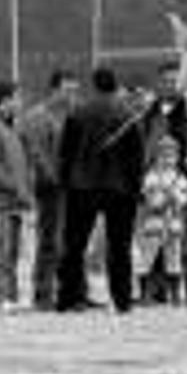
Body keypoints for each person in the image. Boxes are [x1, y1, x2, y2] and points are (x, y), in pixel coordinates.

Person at [57, 68, 145, 314]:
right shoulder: (127, 114)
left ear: (93, 85)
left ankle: (68, 298)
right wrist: (136, 189)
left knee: (74, 245)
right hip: (120, 189)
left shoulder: (77, 112)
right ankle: (122, 300)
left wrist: (65, 183)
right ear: (115, 85)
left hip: (82, 186)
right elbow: (136, 157)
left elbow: (66, 153)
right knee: (120, 247)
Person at [17, 69, 80, 311]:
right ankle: (43, 292)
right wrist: (54, 179)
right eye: (67, 90)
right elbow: (37, 154)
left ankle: (72, 291)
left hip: (73, 188)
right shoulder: (38, 117)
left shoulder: (73, 114)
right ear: (54, 90)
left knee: (71, 242)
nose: (72, 95)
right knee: (50, 241)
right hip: (50, 189)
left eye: (75, 90)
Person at [0, 81, 33, 313]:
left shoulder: (9, 126)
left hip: (13, 202)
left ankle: (7, 297)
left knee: (10, 253)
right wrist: (15, 188)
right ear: (4, 101)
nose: (20, 103)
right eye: (16, 99)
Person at [134, 136, 187, 305]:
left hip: (173, 222)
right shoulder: (151, 177)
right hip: (154, 222)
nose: (167, 159)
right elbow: (148, 198)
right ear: (157, 157)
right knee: (147, 258)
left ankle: (175, 294)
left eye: (171, 155)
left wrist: (175, 197)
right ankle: (145, 294)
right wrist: (159, 200)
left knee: (174, 259)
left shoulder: (180, 178)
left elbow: (185, 199)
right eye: (164, 155)